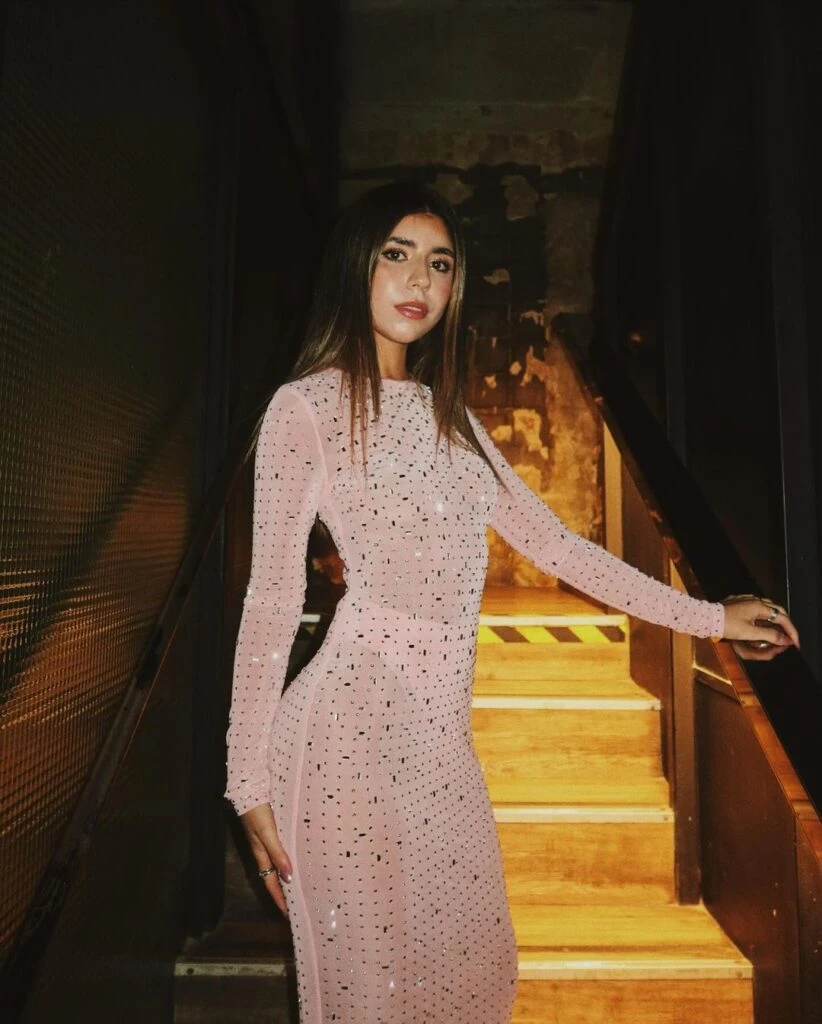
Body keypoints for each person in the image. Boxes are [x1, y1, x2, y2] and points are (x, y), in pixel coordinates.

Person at [223, 182, 800, 1024]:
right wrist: (247, 784)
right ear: (354, 267)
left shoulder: (453, 420)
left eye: (440, 263)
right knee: (368, 994)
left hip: (440, 747)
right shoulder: (304, 407)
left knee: (476, 976)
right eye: (395, 254)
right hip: (342, 738)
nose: (418, 279)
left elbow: (560, 548)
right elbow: (272, 601)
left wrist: (711, 617)